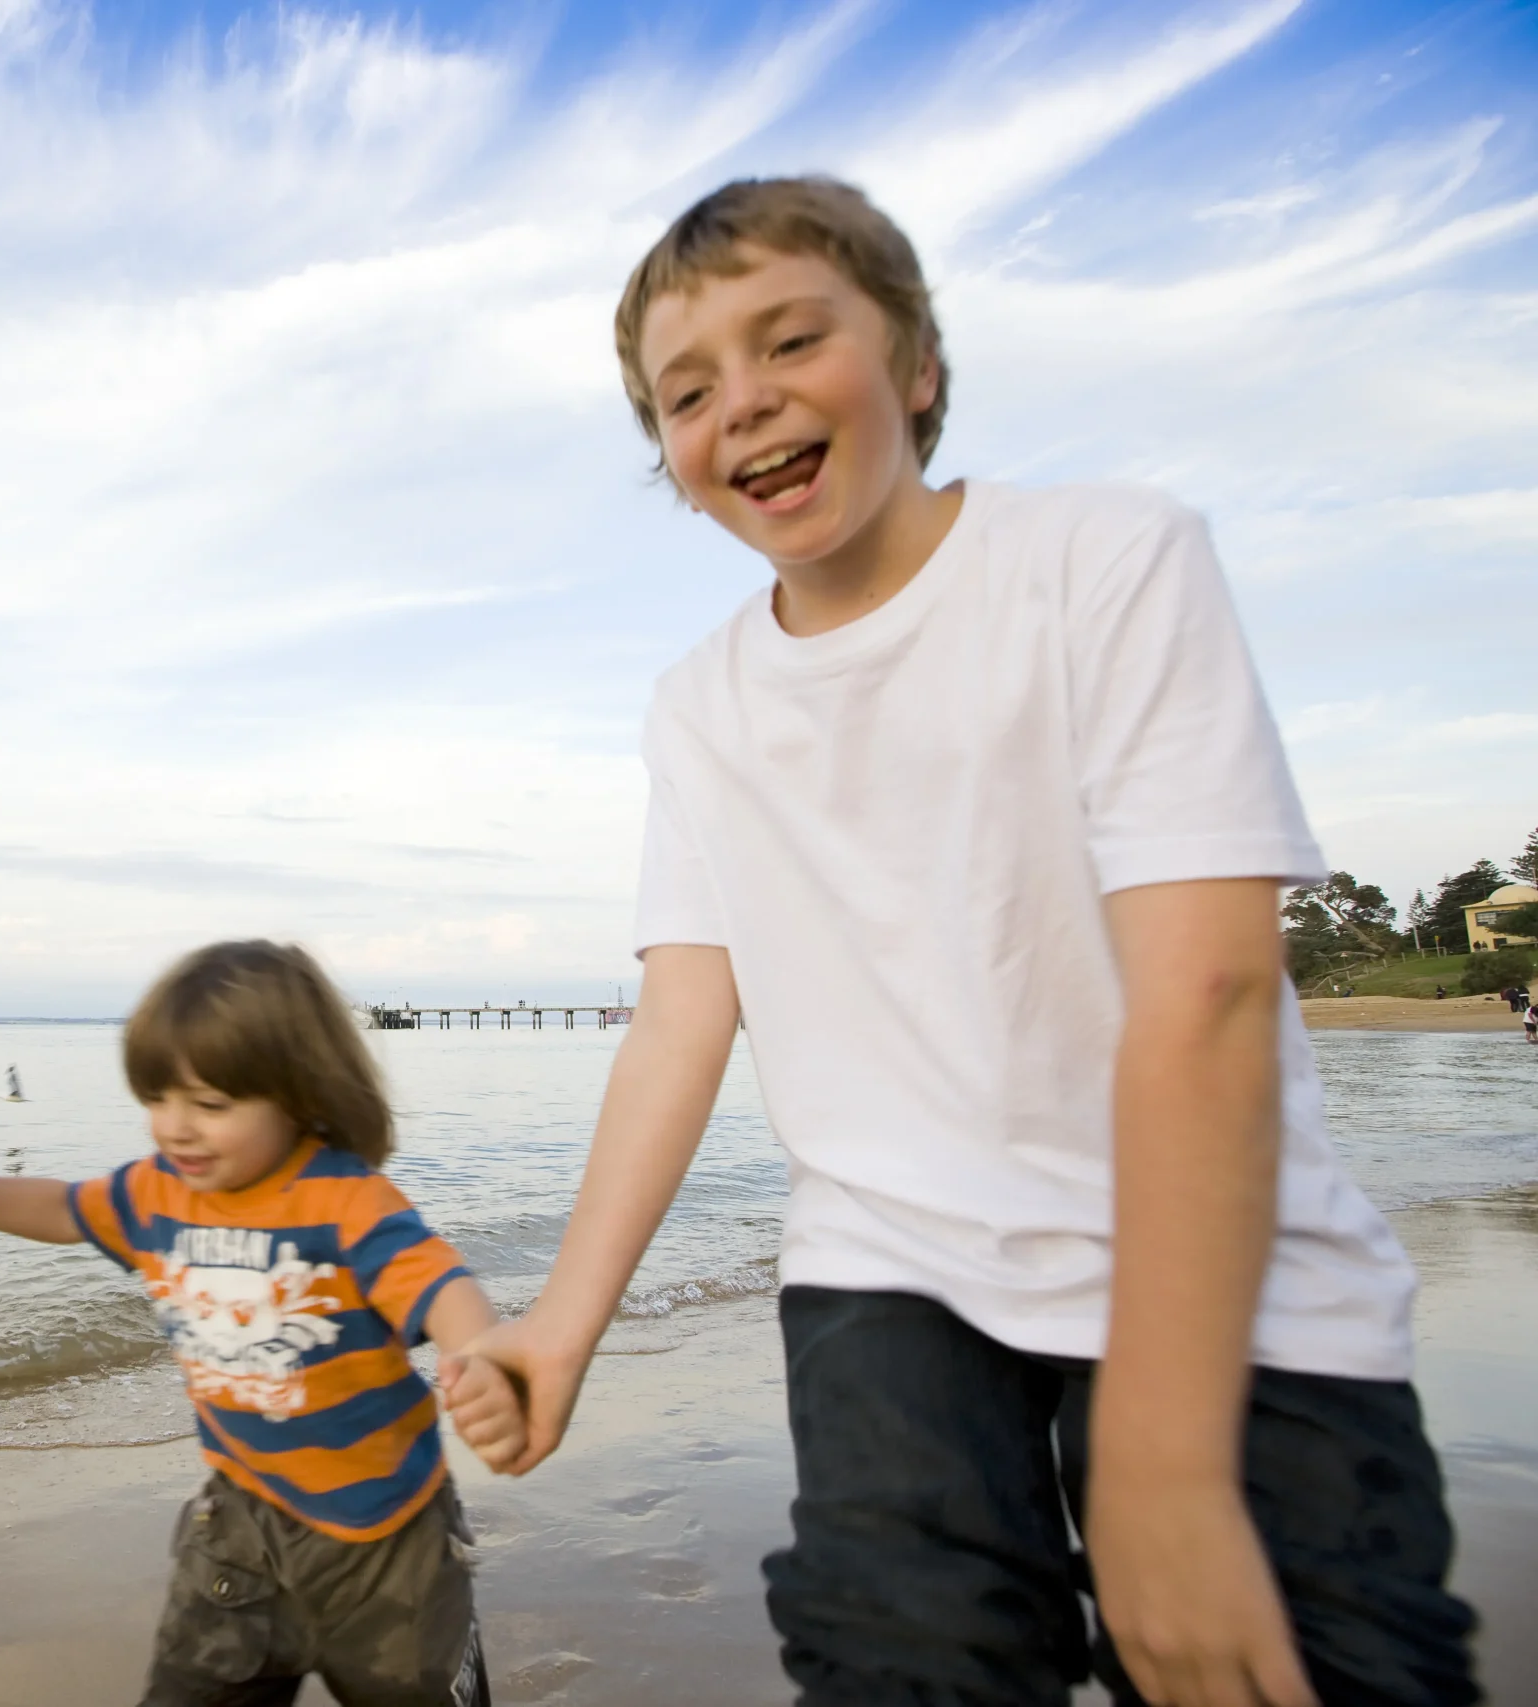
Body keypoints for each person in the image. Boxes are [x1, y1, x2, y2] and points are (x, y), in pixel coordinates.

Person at [467, 178, 1476, 1707]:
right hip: (893, 1272)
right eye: (687, 392)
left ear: (918, 361)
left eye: (790, 339)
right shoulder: (700, 706)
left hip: (1223, 1256)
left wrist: (1164, 1459)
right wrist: (562, 1320)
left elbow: (1205, 991)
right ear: (673, 466)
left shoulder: (1107, 561)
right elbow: (682, 1017)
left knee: (1304, 1655)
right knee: (906, 1660)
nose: (743, 402)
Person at [0, 940, 523, 1706]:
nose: (176, 1127)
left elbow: (440, 1284)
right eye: (158, 1098)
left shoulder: (345, 1200)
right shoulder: (156, 1194)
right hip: (238, 1535)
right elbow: (64, 1206)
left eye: (211, 1104)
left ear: (296, 1092)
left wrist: (482, 1354)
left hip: (391, 1551)